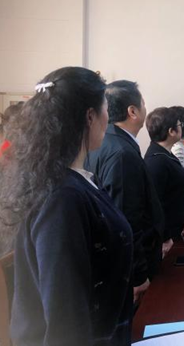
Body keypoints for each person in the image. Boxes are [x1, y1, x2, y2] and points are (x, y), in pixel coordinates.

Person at [1, 67, 133, 345]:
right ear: (90, 116)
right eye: (106, 109)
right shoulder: (63, 198)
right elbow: (65, 318)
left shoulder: (72, 181)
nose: (108, 119)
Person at [86, 80, 164, 304]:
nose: (145, 109)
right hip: (128, 271)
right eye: (143, 104)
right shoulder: (122, 153)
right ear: (133, 111)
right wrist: (138, 274)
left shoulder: (104, 141)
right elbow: (126, 217)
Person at [144, 107, 184, 255]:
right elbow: (154, 203)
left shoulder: (165, 154)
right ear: (171, 131)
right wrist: (165, 237)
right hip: (166, 239)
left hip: (174, 231)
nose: (181, 128)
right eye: (179, 125)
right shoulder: (157, 161)